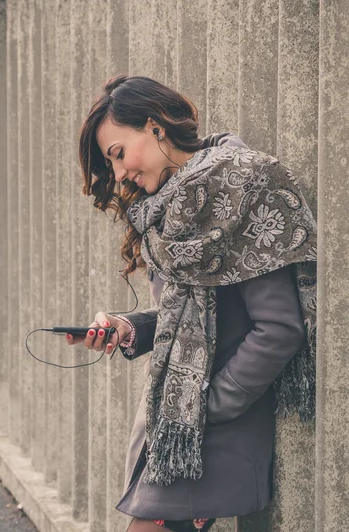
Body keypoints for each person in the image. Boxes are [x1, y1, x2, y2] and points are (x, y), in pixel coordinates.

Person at [66, 75, 316, 532]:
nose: (119, 175)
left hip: (209, 430)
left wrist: (206, 406)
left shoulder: (243, 186)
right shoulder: (168, 207)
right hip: (176, 429)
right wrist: (130, 327)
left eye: (118, 153)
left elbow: (278, 329)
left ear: (154, 126)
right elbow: (190, 314)